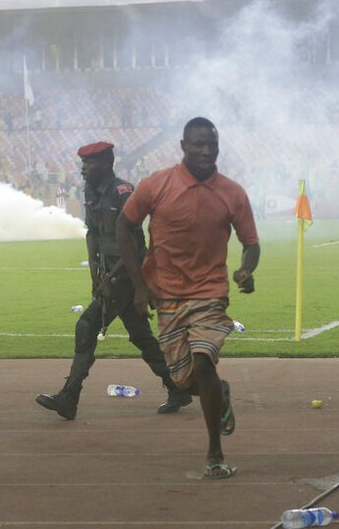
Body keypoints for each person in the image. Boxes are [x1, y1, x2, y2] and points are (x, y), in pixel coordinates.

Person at [116, 117, 260, 481]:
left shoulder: (233, 193)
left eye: (212, 144)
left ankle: (214, 452)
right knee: (183, 380)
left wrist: (246, 270)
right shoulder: (156, 185)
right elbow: (124, 224)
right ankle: (218, 395)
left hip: (210, 293)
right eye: (199, 144)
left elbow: (251, 244)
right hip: (166, 292)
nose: (207, 151)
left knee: (204, 360)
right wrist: (138, 284)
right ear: (183, 146)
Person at [36, 142, 191, 420]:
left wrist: (132, 284)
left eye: (89, 164)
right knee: (140, 335)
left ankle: (70, 397)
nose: (83, 170)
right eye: (83, 164)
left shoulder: (124, 192)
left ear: (107, 163)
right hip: (109, 273)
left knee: (86, 325)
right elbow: (92, 233)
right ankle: (177, 387)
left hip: (127, 273)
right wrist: (95, 274)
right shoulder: (91, 191)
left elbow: (133, 239)